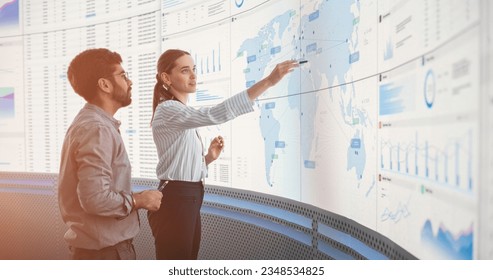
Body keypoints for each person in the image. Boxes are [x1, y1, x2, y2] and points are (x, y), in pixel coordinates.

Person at [148, 49, 298, 259]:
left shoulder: (179, 111)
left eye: (194, 69)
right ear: (166, 78)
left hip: (187, 196)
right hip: (177, 199)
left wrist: (208, 158)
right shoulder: (169, 109)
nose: (193, 75)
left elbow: (179, 163)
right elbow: (215, 114)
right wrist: (269, 82)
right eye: (184, 70)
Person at [58, 48, 163, 260]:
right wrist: (139, 200)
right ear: (104, 84)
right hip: (105, 255)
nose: (130, 82)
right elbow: (95, 198)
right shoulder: (97, 129)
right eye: (123, 76)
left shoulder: (91, 123)